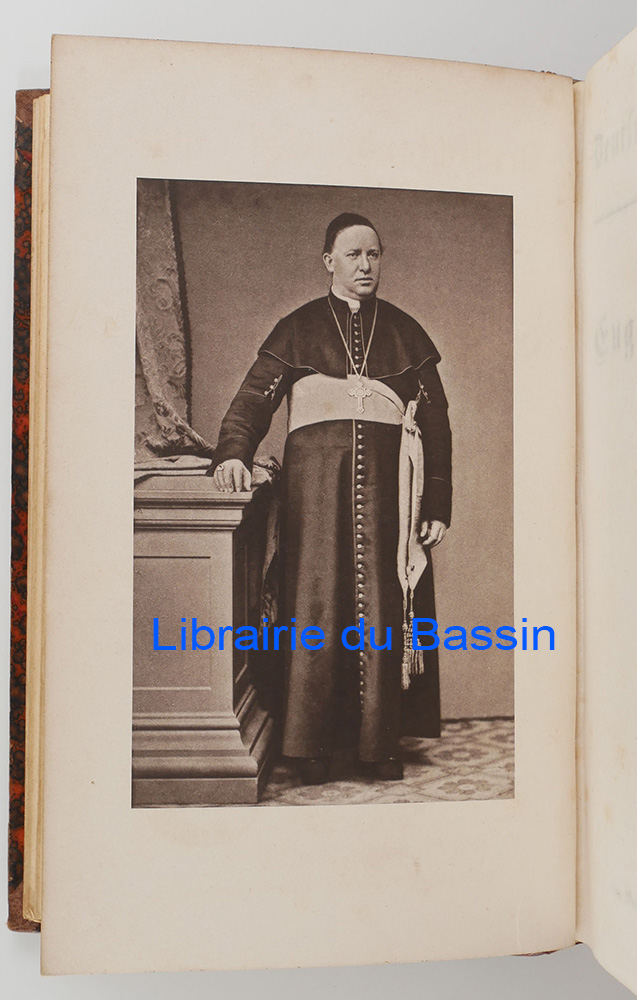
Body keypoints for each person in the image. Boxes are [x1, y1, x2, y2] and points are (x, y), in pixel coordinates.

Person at [210, 213, 452, 785]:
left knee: (384, 606)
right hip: (314, 496)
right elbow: (252, 402)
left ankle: (378, 745)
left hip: (391, 499)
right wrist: (232, 454)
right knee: (316, 606)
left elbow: (436, 422)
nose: (365, 265)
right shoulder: (297, 328)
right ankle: (308, 746)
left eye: (373, 254)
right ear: (329, 262)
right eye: (352, 255)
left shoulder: (405, 331)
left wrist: (437, 503)